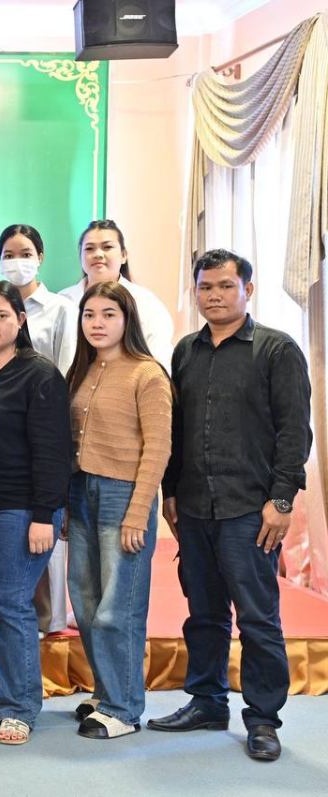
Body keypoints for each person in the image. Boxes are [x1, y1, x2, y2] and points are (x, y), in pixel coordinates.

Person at [149, 249, 312, 762]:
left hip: (251, 509)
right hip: (195, 507)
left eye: (225, 286)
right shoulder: (186, 352)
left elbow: (294, 432)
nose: (214, 296)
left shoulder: (277, 349)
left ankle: (263, 719)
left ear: (248, 290)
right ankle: (206, 701)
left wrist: (281, 500)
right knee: (204, 613)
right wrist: (169, 492)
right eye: (205, 287)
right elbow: (175, 430)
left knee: (258, 618)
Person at [0, 281, 70, 745]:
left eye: (1, 315)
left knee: (11, 603)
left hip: (24, 509)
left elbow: (54, 451)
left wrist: (45, 514)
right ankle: (8, 691)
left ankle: (20, 706)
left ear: (20, 321)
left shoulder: (39, 374)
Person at [65, 281, 172, 739]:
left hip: (123, 496)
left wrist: (137, 511)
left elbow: (158, 448)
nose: (97, 323)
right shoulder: (82, 370)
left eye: (109, 314)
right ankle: (107, 690)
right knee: (85, 600)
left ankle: (124, 709)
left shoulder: (147, 374)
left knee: (117, 607)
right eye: (89, 314)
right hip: (80, 493)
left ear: (127, 319)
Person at [0, 223, 79, 636]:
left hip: (46, 423)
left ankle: (51, 617)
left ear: (40, 257)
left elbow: (66, 367)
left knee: (45, 526)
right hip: (4, 431)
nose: (17, 262)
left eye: (25, 253)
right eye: (9, 255)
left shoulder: (61, 308)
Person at [59, 220, 173, 370]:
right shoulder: (62, 301)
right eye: (89, 248)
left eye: (107, 247)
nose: (98, 254)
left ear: (124, 255)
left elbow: (160, 362)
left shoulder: (145, 302)